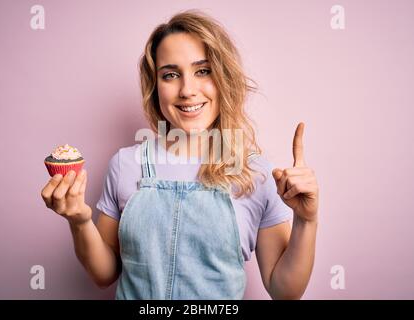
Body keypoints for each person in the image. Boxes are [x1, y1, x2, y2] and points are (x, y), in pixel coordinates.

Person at [40, 10, 319, 300]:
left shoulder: (256, 173)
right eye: (170, 75)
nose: (187, 90)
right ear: (155, 86)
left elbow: (285, 292)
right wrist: (80, 220)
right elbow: (104, 274)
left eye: (203, 71)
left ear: (224, 78)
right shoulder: (125, 165)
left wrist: (306, 221)